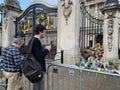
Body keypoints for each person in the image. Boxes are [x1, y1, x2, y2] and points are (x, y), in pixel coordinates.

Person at [28, 24, 51, 90]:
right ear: (40, 32)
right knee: (39, 87)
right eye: (44, 32)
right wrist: (47, 50)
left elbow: (35, 54)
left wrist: (44, 50)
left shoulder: (31, 40)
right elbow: (39, 57)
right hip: (38, 69)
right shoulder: (36, 41)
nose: (45, 34)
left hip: (34, 68)